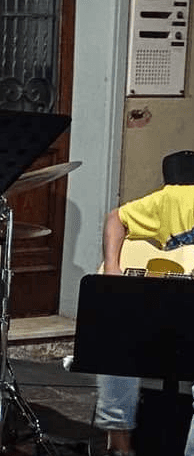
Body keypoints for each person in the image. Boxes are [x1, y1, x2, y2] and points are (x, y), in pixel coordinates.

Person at [96, 149, 194, 456]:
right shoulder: (176, 197)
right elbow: (117, 218)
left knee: (117, 347)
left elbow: (115, 217)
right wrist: (113, 270)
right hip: (173, 313)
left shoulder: (167, 198)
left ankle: (118, 439)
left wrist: (112, 268)